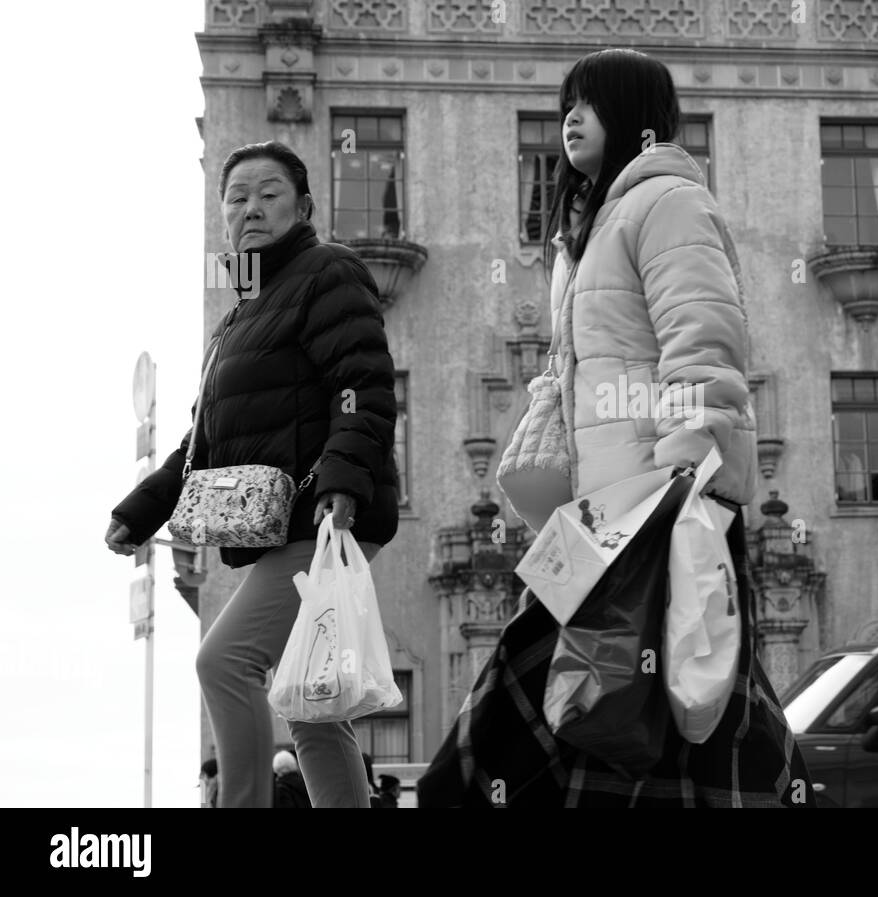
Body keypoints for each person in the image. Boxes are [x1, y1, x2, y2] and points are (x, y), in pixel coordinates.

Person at [419, 48, 811, 807]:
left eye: (591, 103)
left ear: (635, 119)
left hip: (660, 502)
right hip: (596, 515)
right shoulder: (584, 234)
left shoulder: (667, 203)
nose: (571, 116)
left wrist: (685, 480)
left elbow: (703, 342)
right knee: (615, 713)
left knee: (634, 708)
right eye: (567, 102)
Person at [105, 140, 400, 809]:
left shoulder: (328, 271)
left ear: (303, 206)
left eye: (269, 193)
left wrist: (340, 482)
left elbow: (362, 383)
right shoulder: (238, 315)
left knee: (225, 660)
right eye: (236, 197)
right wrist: (140, 511)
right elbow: (200, 442)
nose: (250, 207)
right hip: (288, 523)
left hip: (320, 514)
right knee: (313, 707)